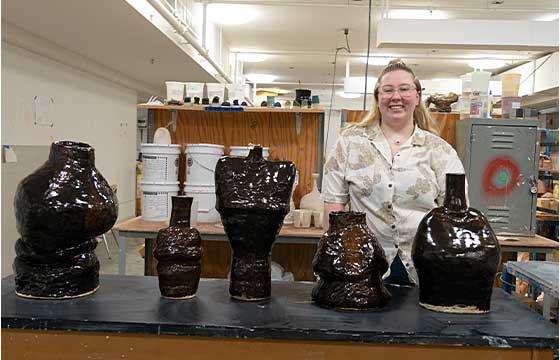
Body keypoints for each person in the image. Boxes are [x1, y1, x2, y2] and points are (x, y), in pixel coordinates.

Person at [322, 59, 466, 286]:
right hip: (362, 265)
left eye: (404, 89)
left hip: (426, 267)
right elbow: (333, 205)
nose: (395, 97)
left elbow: (457, 214)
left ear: (417, 97)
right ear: (378, 98)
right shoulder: (350, 143)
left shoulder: (439, 151)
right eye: (388, 90)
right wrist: (338, 261)